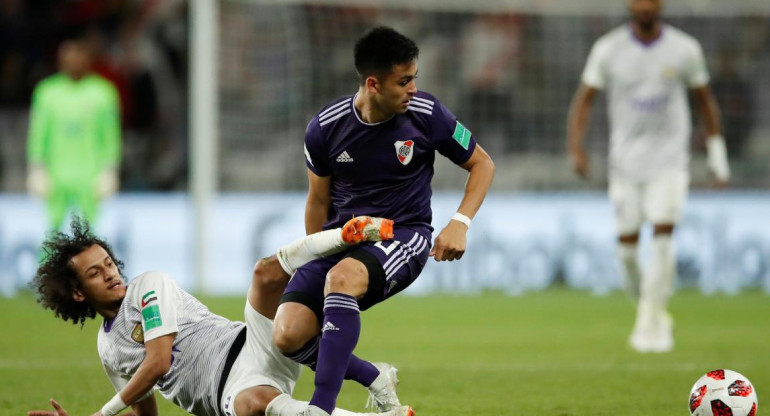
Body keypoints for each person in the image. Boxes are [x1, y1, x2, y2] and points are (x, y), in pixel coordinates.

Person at [272, 27, 495, 416]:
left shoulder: (427, 115)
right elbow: (318, 200)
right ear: (373, 83)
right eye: (404, 81)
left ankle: (319, 409)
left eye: (415, 79)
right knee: (288, 334)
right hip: (343, 241)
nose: (413, 89)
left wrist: (459, 222)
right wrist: (317, 252)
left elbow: (482, 163)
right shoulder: (324, 129)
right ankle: (374, 376)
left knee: (341, 280)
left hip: (404, 235)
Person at [27, 216, 416, 416]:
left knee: (264, 273)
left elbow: (159, 360)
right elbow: (142, 407)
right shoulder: (107, 347)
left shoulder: (149, 285)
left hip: (249, 343)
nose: (110, 272)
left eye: (109, 263)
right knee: (256, 404)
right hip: (226, 394)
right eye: (95, 273)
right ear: (78, 293)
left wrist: (101, 412)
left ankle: (344, 235)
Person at [566, 0, 730, 353]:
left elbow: (705, 100)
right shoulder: (608, 49)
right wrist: (577, 148)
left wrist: (717, 154)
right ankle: (651, 311)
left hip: (669, 162)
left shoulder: (684, 48)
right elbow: (584, 100)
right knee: (626, 252)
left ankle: (649, 327)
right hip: (624, 165)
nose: (646, 5)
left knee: (662, 237)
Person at [27, 37, 121, 231]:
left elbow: (110, 135)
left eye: (78, 54)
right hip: (56, 174)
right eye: (68, 55)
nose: (73, 60)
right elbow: (38, 133)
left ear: (88, 58)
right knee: (52, 231)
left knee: (89, 232)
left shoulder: (103, 92)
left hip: (89, 174)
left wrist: (109, 170)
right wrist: (36, 168)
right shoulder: (47, 92)